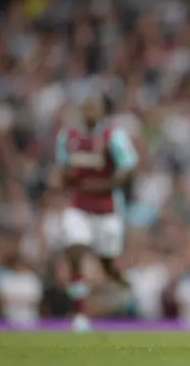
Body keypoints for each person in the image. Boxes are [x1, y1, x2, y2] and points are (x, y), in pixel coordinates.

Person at [54, 95, 138, 332]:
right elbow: (62, 170)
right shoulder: (68, 137)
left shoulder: (113, 136)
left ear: (102, 111)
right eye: (86, 106)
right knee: (76, 250)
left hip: (106, 209)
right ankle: (80, 315)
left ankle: (128, 286)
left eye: (93, 106)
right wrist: (65, 177)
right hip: (78, 206)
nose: (89, 111)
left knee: (107, 263)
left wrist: (106, 185)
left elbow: (128, 167)